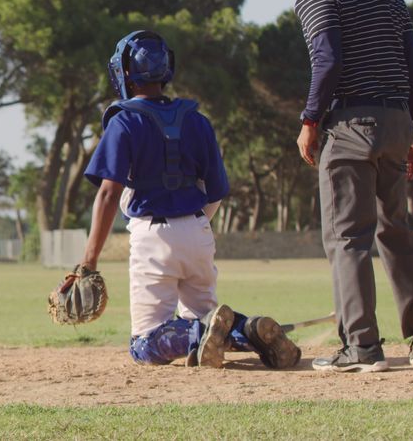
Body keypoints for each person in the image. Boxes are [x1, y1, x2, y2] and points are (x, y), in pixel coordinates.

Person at [79, 31, 300, 369]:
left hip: (153, 237)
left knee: (144, 345)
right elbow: (217, 190)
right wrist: (195, 226)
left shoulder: (124, 120)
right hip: (199, 231)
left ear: (125, 72)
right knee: (210, 319)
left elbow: (109, 193)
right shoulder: (197, 120)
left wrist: (88, 262)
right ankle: (249, 329)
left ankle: (195, 336)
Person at [289, 0, 413, 372]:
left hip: (350, 126)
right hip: (397, 121)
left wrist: (310, 119)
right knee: (395, 231)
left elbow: (328, 60)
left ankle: (362, 347)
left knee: (347, 238)